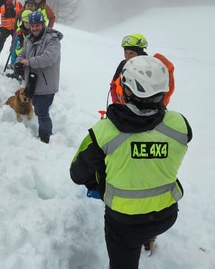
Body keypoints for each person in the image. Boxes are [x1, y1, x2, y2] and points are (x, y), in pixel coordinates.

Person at [70, 56, 192, 269]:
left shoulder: (105, 132)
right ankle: (149, 238)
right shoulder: (180, 125)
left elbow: (77, 173)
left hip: (124, 223)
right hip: (166, 214)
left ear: (127, 90)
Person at [16, 11, 63, 143]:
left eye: (37, 25)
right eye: (32, 26)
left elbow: (48, 59)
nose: (35, 28)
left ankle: (45, 137)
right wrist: (17, 63)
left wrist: (29, 62)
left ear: (43, 24)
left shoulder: (52, 40)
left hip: (46, 85)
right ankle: (44, 133)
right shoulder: (28, 39)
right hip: (33, 83)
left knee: (42, 112)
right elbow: (22, 54)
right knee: (38, 109)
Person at [110, 33, 175, 107]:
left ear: (140, 53)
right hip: (124, 109)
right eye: (126, 52)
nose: (127, 56)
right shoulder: (123, 64)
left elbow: (157, 95)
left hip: (144, 112)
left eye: (131, 53)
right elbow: (113, 85)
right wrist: (116, 102)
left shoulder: (150, 69)